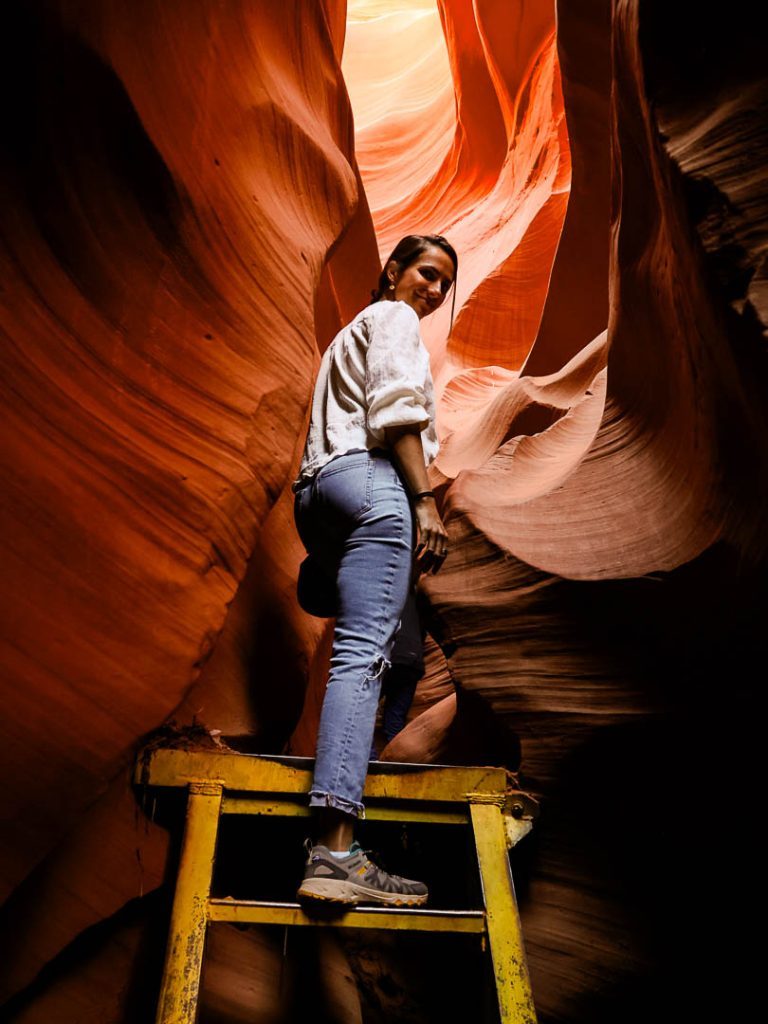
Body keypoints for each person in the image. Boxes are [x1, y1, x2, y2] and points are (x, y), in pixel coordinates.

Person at [292, 234, 457, 906]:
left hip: (320, 490)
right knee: (363, 658)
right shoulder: (391, 318)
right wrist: (425, 502)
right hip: (375, 484)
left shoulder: (346, 335)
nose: (435, 290)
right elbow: (394, 410)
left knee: (396, 651)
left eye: (445, 282)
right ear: (391, 272)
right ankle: (335, 851)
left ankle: (352, 786)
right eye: (426, 272)